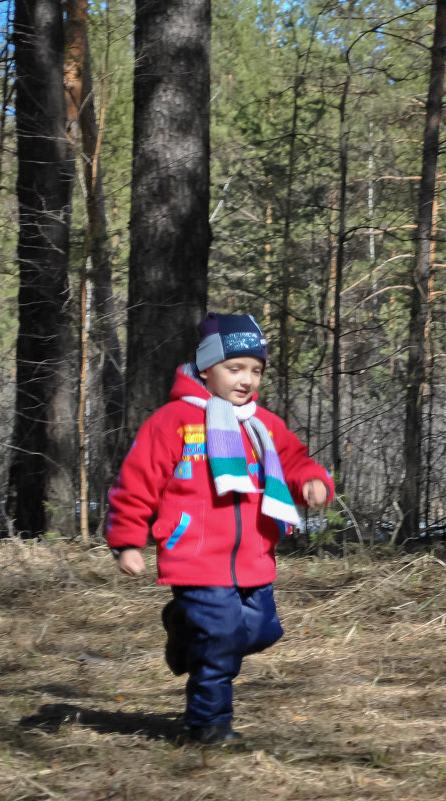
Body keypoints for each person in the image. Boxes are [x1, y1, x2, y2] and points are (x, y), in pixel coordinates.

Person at [105, 313, 333, 745]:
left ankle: (187, 629)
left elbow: (295, 462)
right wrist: (127, 541)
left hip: (253, 557)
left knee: (264, 630)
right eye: (234, 368)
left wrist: (313, 483)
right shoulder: (173, 422)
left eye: (255, 370)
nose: (246, 379)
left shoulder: (263, 424)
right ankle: (208, 726)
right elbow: (135, 483)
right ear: (206, 368)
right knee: (224, 640)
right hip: (193, 556)